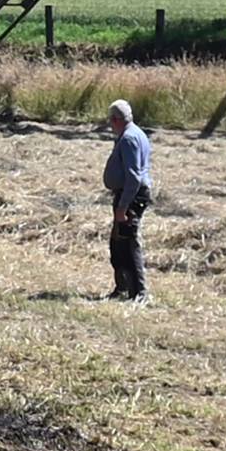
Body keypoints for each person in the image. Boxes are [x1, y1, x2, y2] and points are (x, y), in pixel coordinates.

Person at [103, 98, 154, 301]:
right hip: (127, 194)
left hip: (131, 196)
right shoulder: (134, 133)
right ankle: (122, 288)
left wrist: (123, 207)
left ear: (116, 120)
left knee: (129, 242)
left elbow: (133, 177)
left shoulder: (129, 139)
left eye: (111, 121)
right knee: (118, 244)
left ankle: (139, 293)